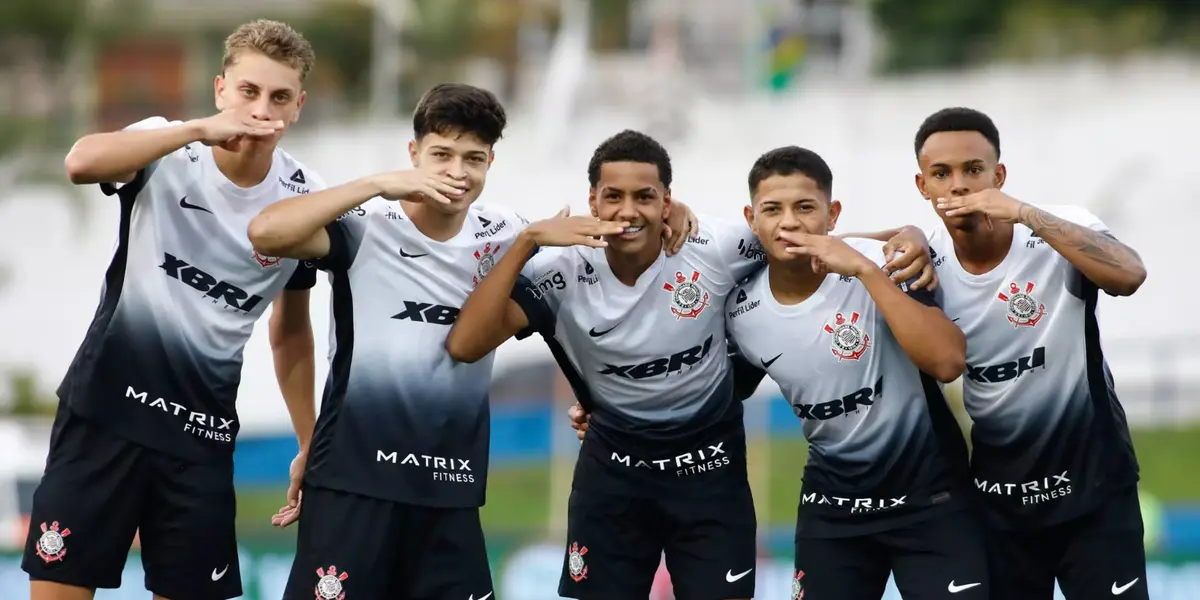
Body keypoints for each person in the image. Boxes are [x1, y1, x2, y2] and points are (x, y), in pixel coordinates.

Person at [245, 86, 695, 600]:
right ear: (413, 154)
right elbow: (266, 232)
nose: (457, 172)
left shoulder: (508, 233)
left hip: (451, 493)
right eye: (441, 155)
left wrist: (674, 212)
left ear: (491, 162)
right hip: (354, 485)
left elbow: (604, 256)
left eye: (473, 159)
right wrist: (376, 183)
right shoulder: (364, 228)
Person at [445, 130, 935, 600]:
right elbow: (467, 344)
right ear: (592, 201)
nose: (628, 211)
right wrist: (527, 242)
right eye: (613, 196)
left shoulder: (715, 245)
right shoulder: (559, 268)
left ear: (667, 201)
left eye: (645, 196)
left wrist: (909, 234)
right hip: (614, 475)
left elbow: (803, 233)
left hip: (709, 470)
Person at [23, 20, 323, 600]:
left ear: (298, 106)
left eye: (279, 97)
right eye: (248, 91)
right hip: (104, 416)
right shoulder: (168, 143)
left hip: (199, 441)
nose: (261, 109)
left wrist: (308, 443)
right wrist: (199, 129)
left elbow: (291, 333)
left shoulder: (305, 197)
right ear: (220, 89)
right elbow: (81, 162)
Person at [876, 107, 1148, 599]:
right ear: (923, 187)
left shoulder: (1059, 230)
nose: (958, 186)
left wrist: (1024, 212)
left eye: (973, 170)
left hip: (1096, 492)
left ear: (998, 176)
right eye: (942, 174)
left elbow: (1129, 275)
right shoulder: (923, 265)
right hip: (1001, 504)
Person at [725, 146, 988, 599]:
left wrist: (867, 271)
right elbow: (712, 391)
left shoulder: (882, 261)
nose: (789, 222)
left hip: (932, 503)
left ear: (833, 213)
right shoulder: (741, 310)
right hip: (833, 513)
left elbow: (947, 363)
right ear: (752, 218)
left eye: (805, 207)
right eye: (773, 209)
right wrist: (604, 409)